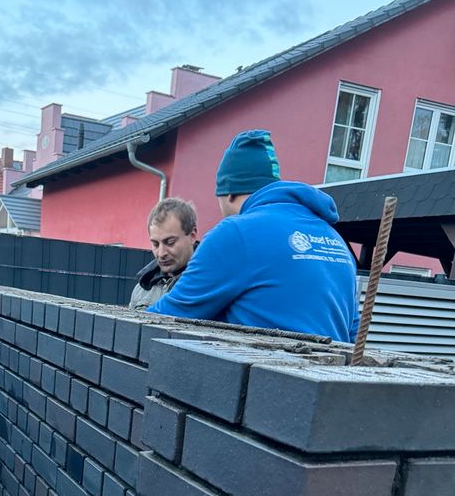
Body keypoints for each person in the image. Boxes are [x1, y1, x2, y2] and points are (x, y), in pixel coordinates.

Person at [146, 130, 360, 342]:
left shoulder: (236, 233)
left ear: (227, 193)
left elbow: (167, 316)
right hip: (329, 372)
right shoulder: (335, 240)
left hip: (267, 373)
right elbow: (353, 332)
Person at [129, 198, 198, 310]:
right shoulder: (141, 289)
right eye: (155, 244)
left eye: (170, 242)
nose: (161, 254)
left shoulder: (208, 284)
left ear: (192, 235)